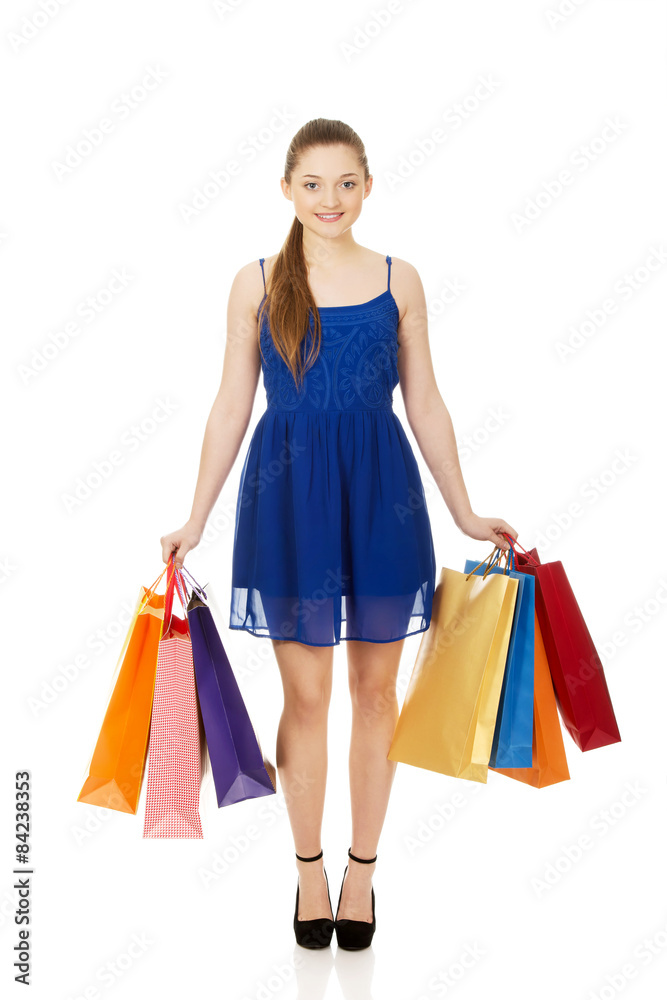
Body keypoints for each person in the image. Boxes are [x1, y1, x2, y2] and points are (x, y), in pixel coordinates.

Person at [160, 117, 518, 950]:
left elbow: (424, 403)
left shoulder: (401, 280)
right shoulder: (254, 282)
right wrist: (195, 516)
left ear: (368, 186)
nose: (330, 199)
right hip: (286, 501)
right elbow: (229, 405)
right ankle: (308, 868)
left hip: (380, 496)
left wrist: (464, 510)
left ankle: (362, 871)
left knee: (374, 695)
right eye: (313, 184)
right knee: (307, 698)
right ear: (286, 189)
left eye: (346, 182)